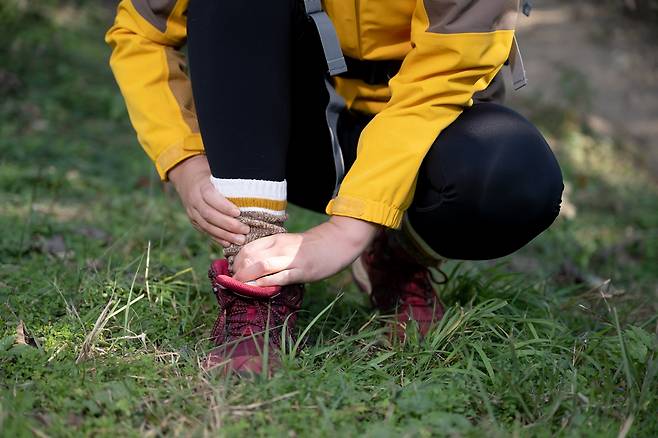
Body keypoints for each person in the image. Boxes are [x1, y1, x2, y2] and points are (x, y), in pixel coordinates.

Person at [106, 0, 563, 374]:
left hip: (426, 132)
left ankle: (396, 253)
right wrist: (183, 159)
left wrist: (350, 228)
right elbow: (141, 32)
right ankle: (257, 278)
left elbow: (441, 82)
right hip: (292, 125)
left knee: (515, 179)